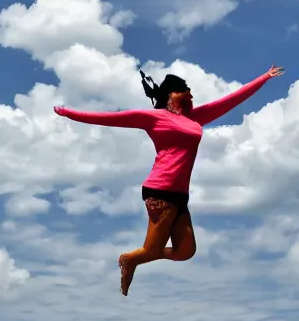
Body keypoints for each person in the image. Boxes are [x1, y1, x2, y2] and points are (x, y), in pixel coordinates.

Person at [53, 64, 285, 296]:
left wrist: (264, 77)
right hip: (160, 190)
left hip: (180, 194)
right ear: (169, 95)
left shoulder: (195, 118)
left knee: (185, 251)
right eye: (184, 90)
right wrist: (67, 113)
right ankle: (130, 259)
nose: (190, 95)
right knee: (151, 250)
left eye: (190, 91)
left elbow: (229, 101)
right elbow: (109, 119)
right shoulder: (153, 118)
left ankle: (140, 256)